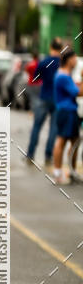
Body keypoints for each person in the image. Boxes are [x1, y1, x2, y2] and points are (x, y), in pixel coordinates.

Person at [26, 38, 62, 165]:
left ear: (51, 48)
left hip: (44, 95)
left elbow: (36, 78)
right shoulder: (62, 63)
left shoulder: (44, 62)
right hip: (58, 98)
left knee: (37, 126)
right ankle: (48, 155)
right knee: (54, 128)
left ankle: (30, 154)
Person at [52, 49, 83, 184]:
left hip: (65, 110)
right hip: (67, 111)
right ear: (69, 59)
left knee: (74, 141)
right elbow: (78, 92)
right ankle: (59, 172)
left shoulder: (63, 74)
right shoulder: (64, 76)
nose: (76, 61)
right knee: (63, 140)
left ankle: (71, 170)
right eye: (75, 58)